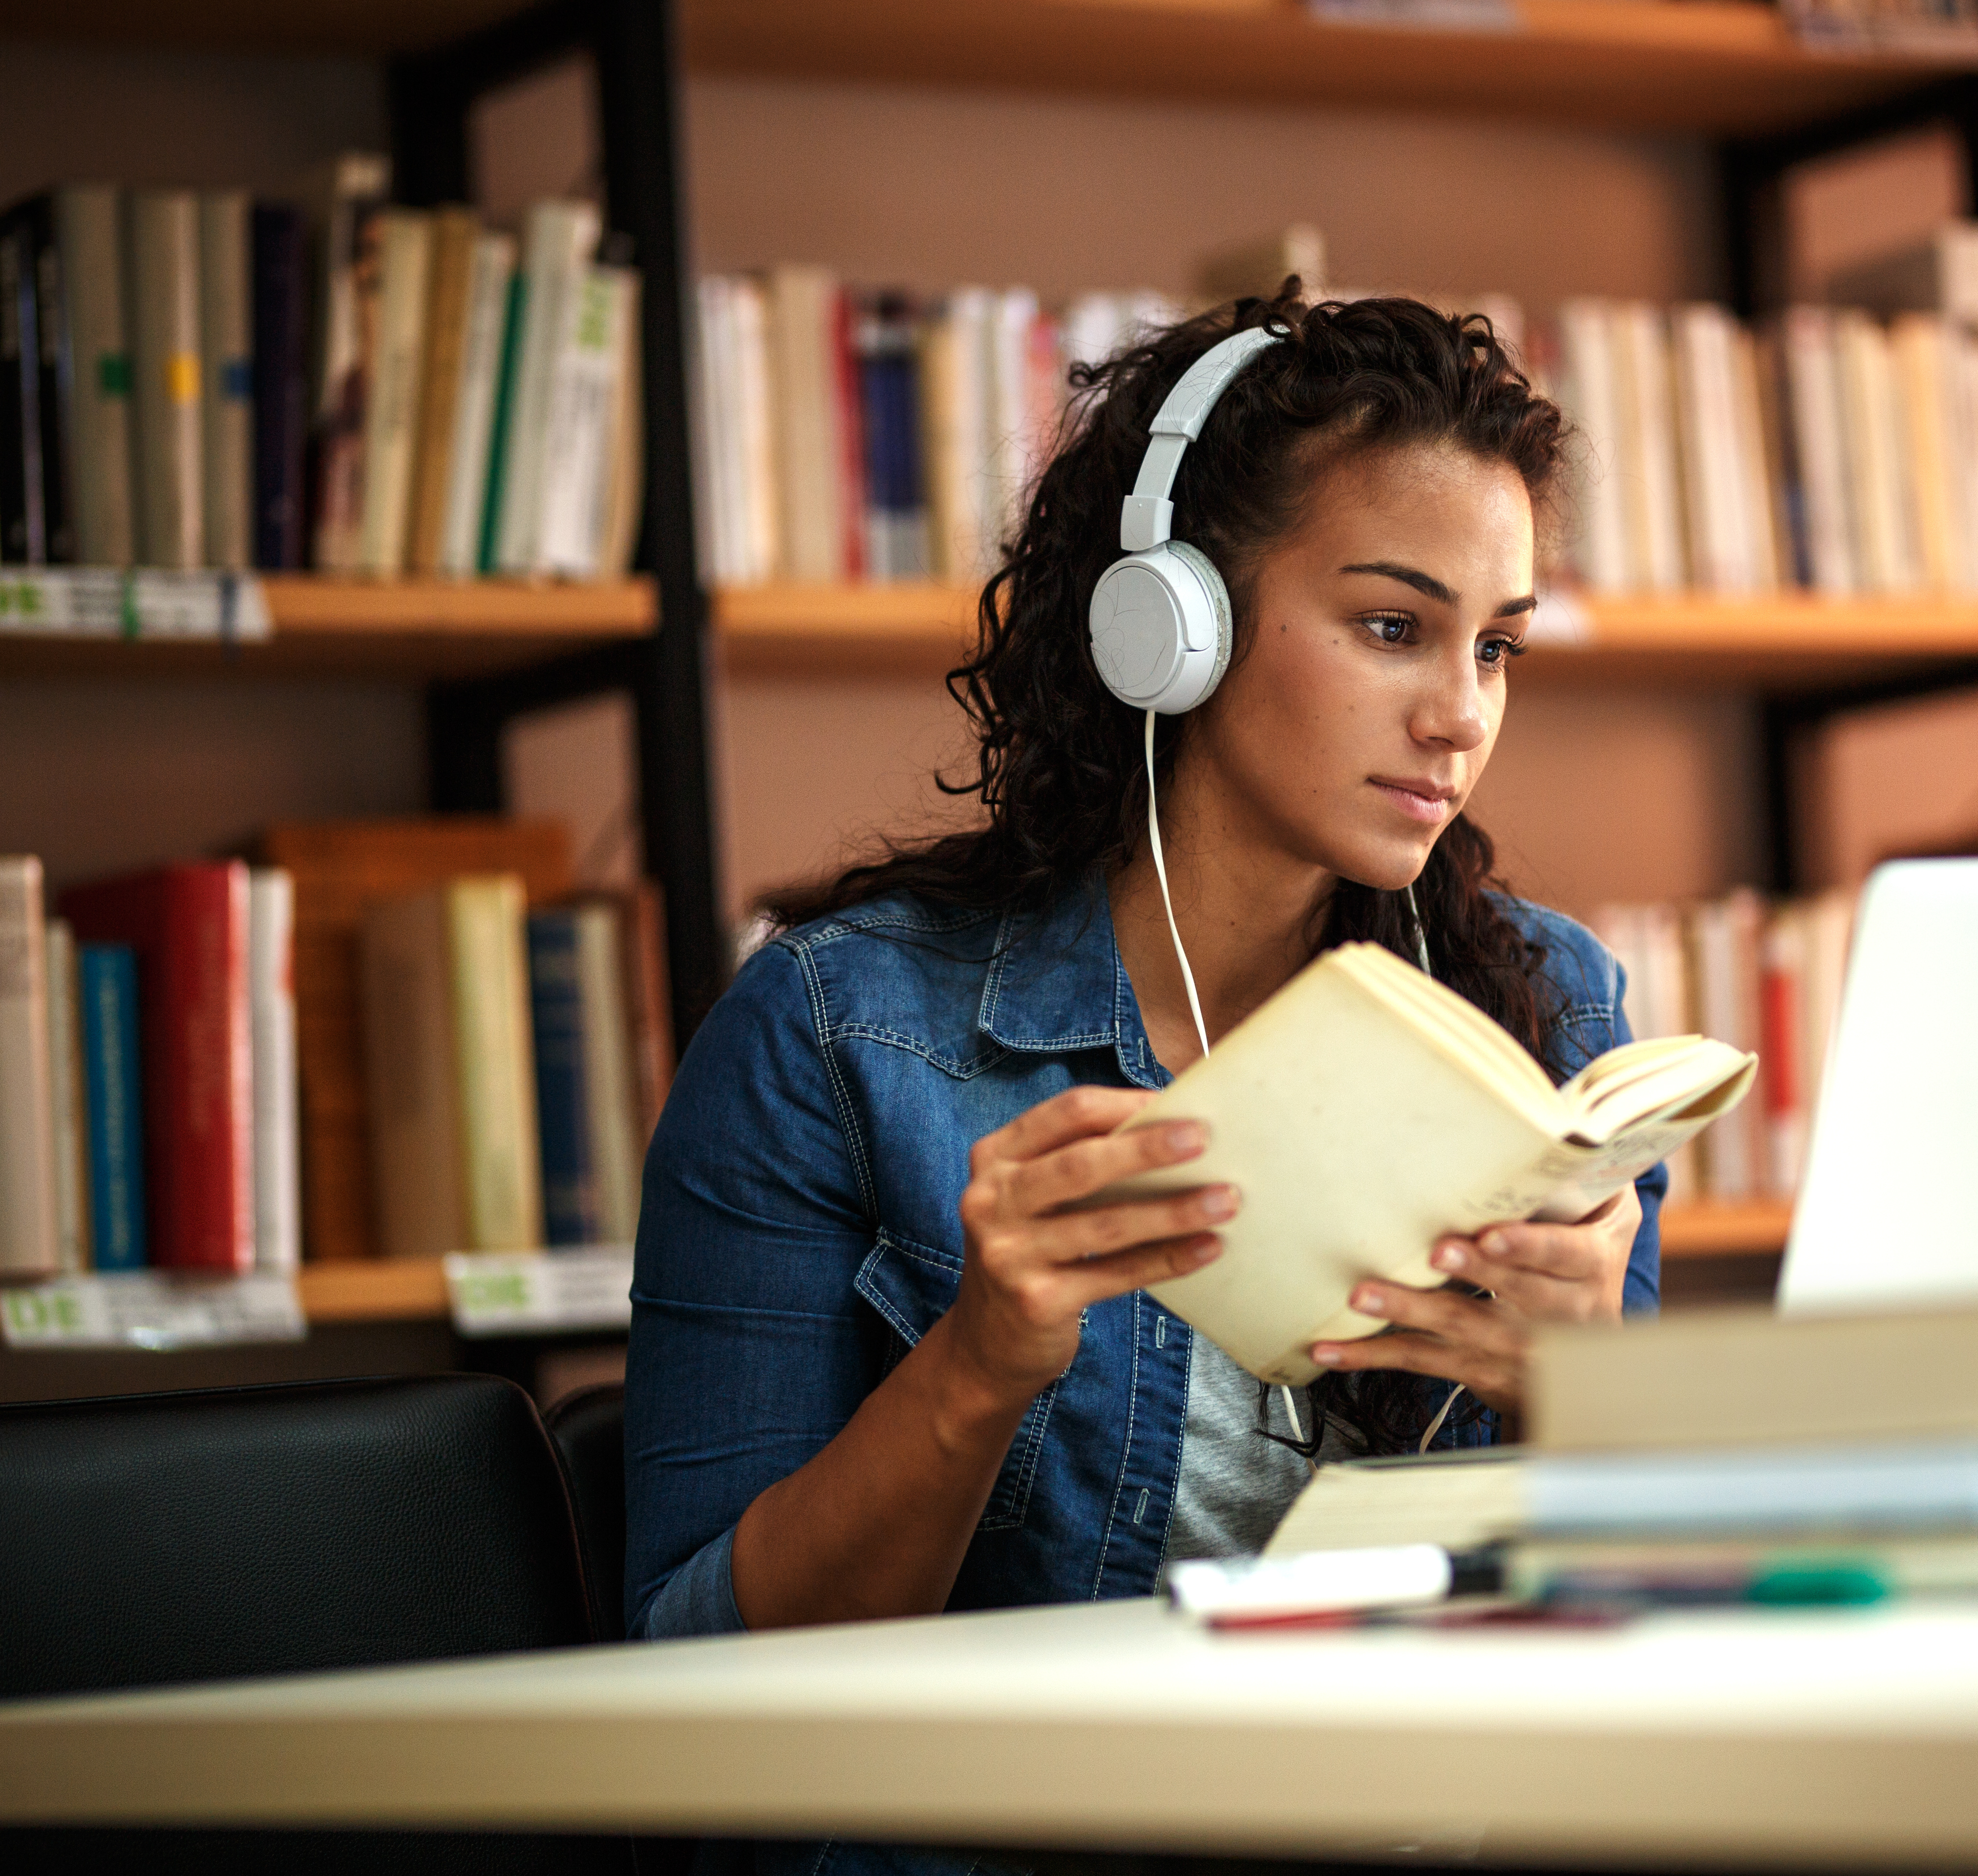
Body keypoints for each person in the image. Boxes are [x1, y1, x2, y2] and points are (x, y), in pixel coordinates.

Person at [625, 291, 1663, 1669]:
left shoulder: (1552, 1013)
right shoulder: (833, 1037)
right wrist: (977, 1366)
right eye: (1392, 629)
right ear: (1172, 625)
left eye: (1495, 647)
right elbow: (691, 1656)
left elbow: (1621, 1637)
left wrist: (1577, 1401)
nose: (1460, 715)